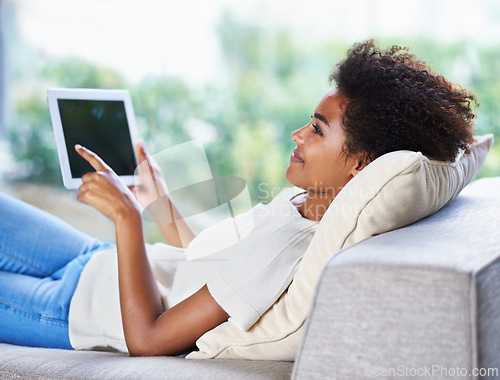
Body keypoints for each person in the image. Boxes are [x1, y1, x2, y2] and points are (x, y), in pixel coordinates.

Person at [0, 40, 476, 357]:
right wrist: (158, 205)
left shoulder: (287, 252)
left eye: (316, 129)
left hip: (69, 309)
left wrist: (126, 220)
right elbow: (205, 266)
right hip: (93, 260)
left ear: (360, 162)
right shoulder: (301, 206)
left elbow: (148, 339)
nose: (297, 134)